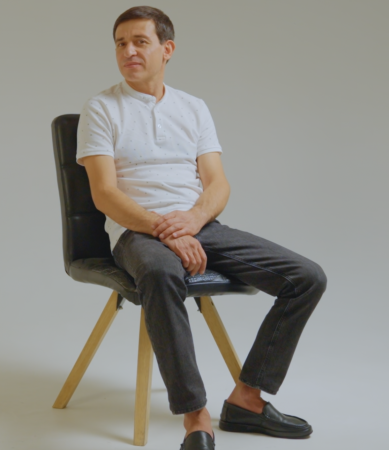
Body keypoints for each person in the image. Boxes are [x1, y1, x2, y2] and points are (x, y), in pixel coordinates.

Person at [76, 6, 327, 450]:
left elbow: (218, 184)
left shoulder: (193, 107)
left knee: (306, 277)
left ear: (167, 49)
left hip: (200, 226)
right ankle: (196, 418)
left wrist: (192, 221)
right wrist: (167, 230)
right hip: (137, 232)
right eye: (120, 43)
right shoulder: (101, 108)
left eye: (140, 42)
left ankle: (247, 400)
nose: (128, 51)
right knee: (160, 273)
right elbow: (105, 194)